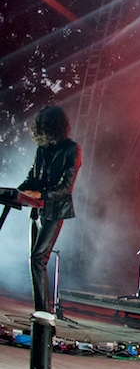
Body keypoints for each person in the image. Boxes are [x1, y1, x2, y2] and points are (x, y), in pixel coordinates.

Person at [17, 106, 81, 313]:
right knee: (34, 260)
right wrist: (16, 191)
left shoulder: (72, 149)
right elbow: (32, 177)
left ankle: (44, 315)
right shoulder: (42, 149)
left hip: (55, 210)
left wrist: (40, 194)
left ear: (54, 126)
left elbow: (66, 187)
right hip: (36, 211)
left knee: (38, 258)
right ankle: (41, 312)